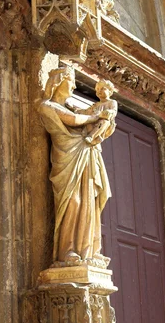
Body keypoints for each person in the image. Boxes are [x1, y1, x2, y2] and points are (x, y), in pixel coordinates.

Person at [39, 66, 116, 264]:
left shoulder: (72, 107)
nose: (74, 86)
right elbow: (74, 120)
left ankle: (89, 250)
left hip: (85, 155)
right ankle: (67, 252)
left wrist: (103, 122)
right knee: (73, 202)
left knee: (90, 202)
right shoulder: (48, 106)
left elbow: (84, 119)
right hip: (67, 158)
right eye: (71, 81)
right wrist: (98, 116)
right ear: (58, 82)